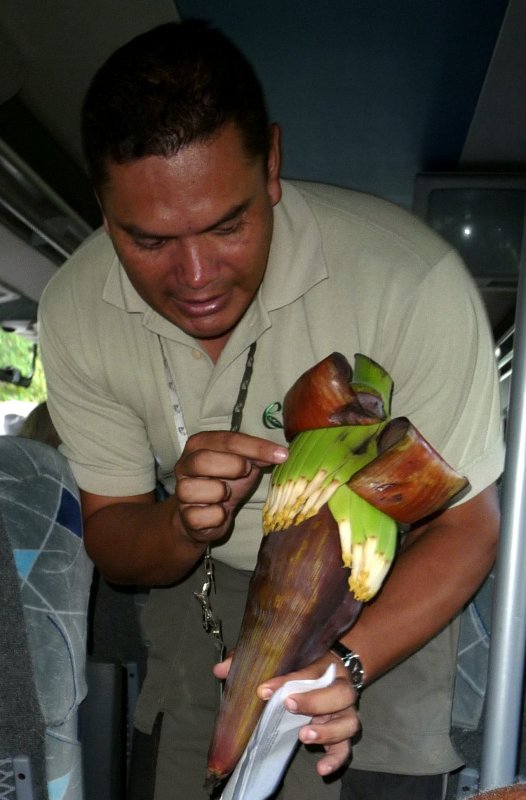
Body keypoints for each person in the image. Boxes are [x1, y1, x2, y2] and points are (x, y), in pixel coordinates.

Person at [38, 19, 503, 800]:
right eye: (148, 240)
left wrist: (348, 662)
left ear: (274, 164)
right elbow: (117, 541)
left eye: (227, 226)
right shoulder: (77, 308)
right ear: (102, 204)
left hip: (386, 582)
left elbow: (467, 525)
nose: (194, 278)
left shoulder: (409, 280)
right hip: (208, 597)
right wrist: (182, 524)